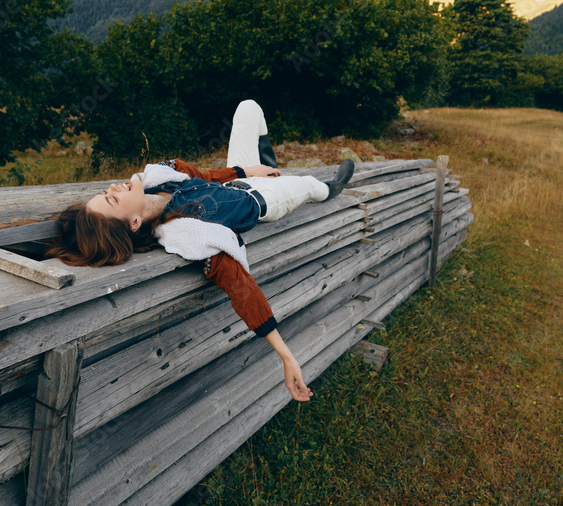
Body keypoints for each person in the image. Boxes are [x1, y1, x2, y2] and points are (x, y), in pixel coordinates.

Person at [48, 99, 355, 402]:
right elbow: (239, 286)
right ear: (134, 223)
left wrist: (247, 169)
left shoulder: (158, 179)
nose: (114, 188)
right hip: (267, 199)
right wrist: (286, 356)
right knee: (309, 184)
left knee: (248, 108)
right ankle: (331, 188)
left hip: (244, 181)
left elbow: (204, 177)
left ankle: (268, 163)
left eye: (106, 192)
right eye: (112, 200)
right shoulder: (185, 233)